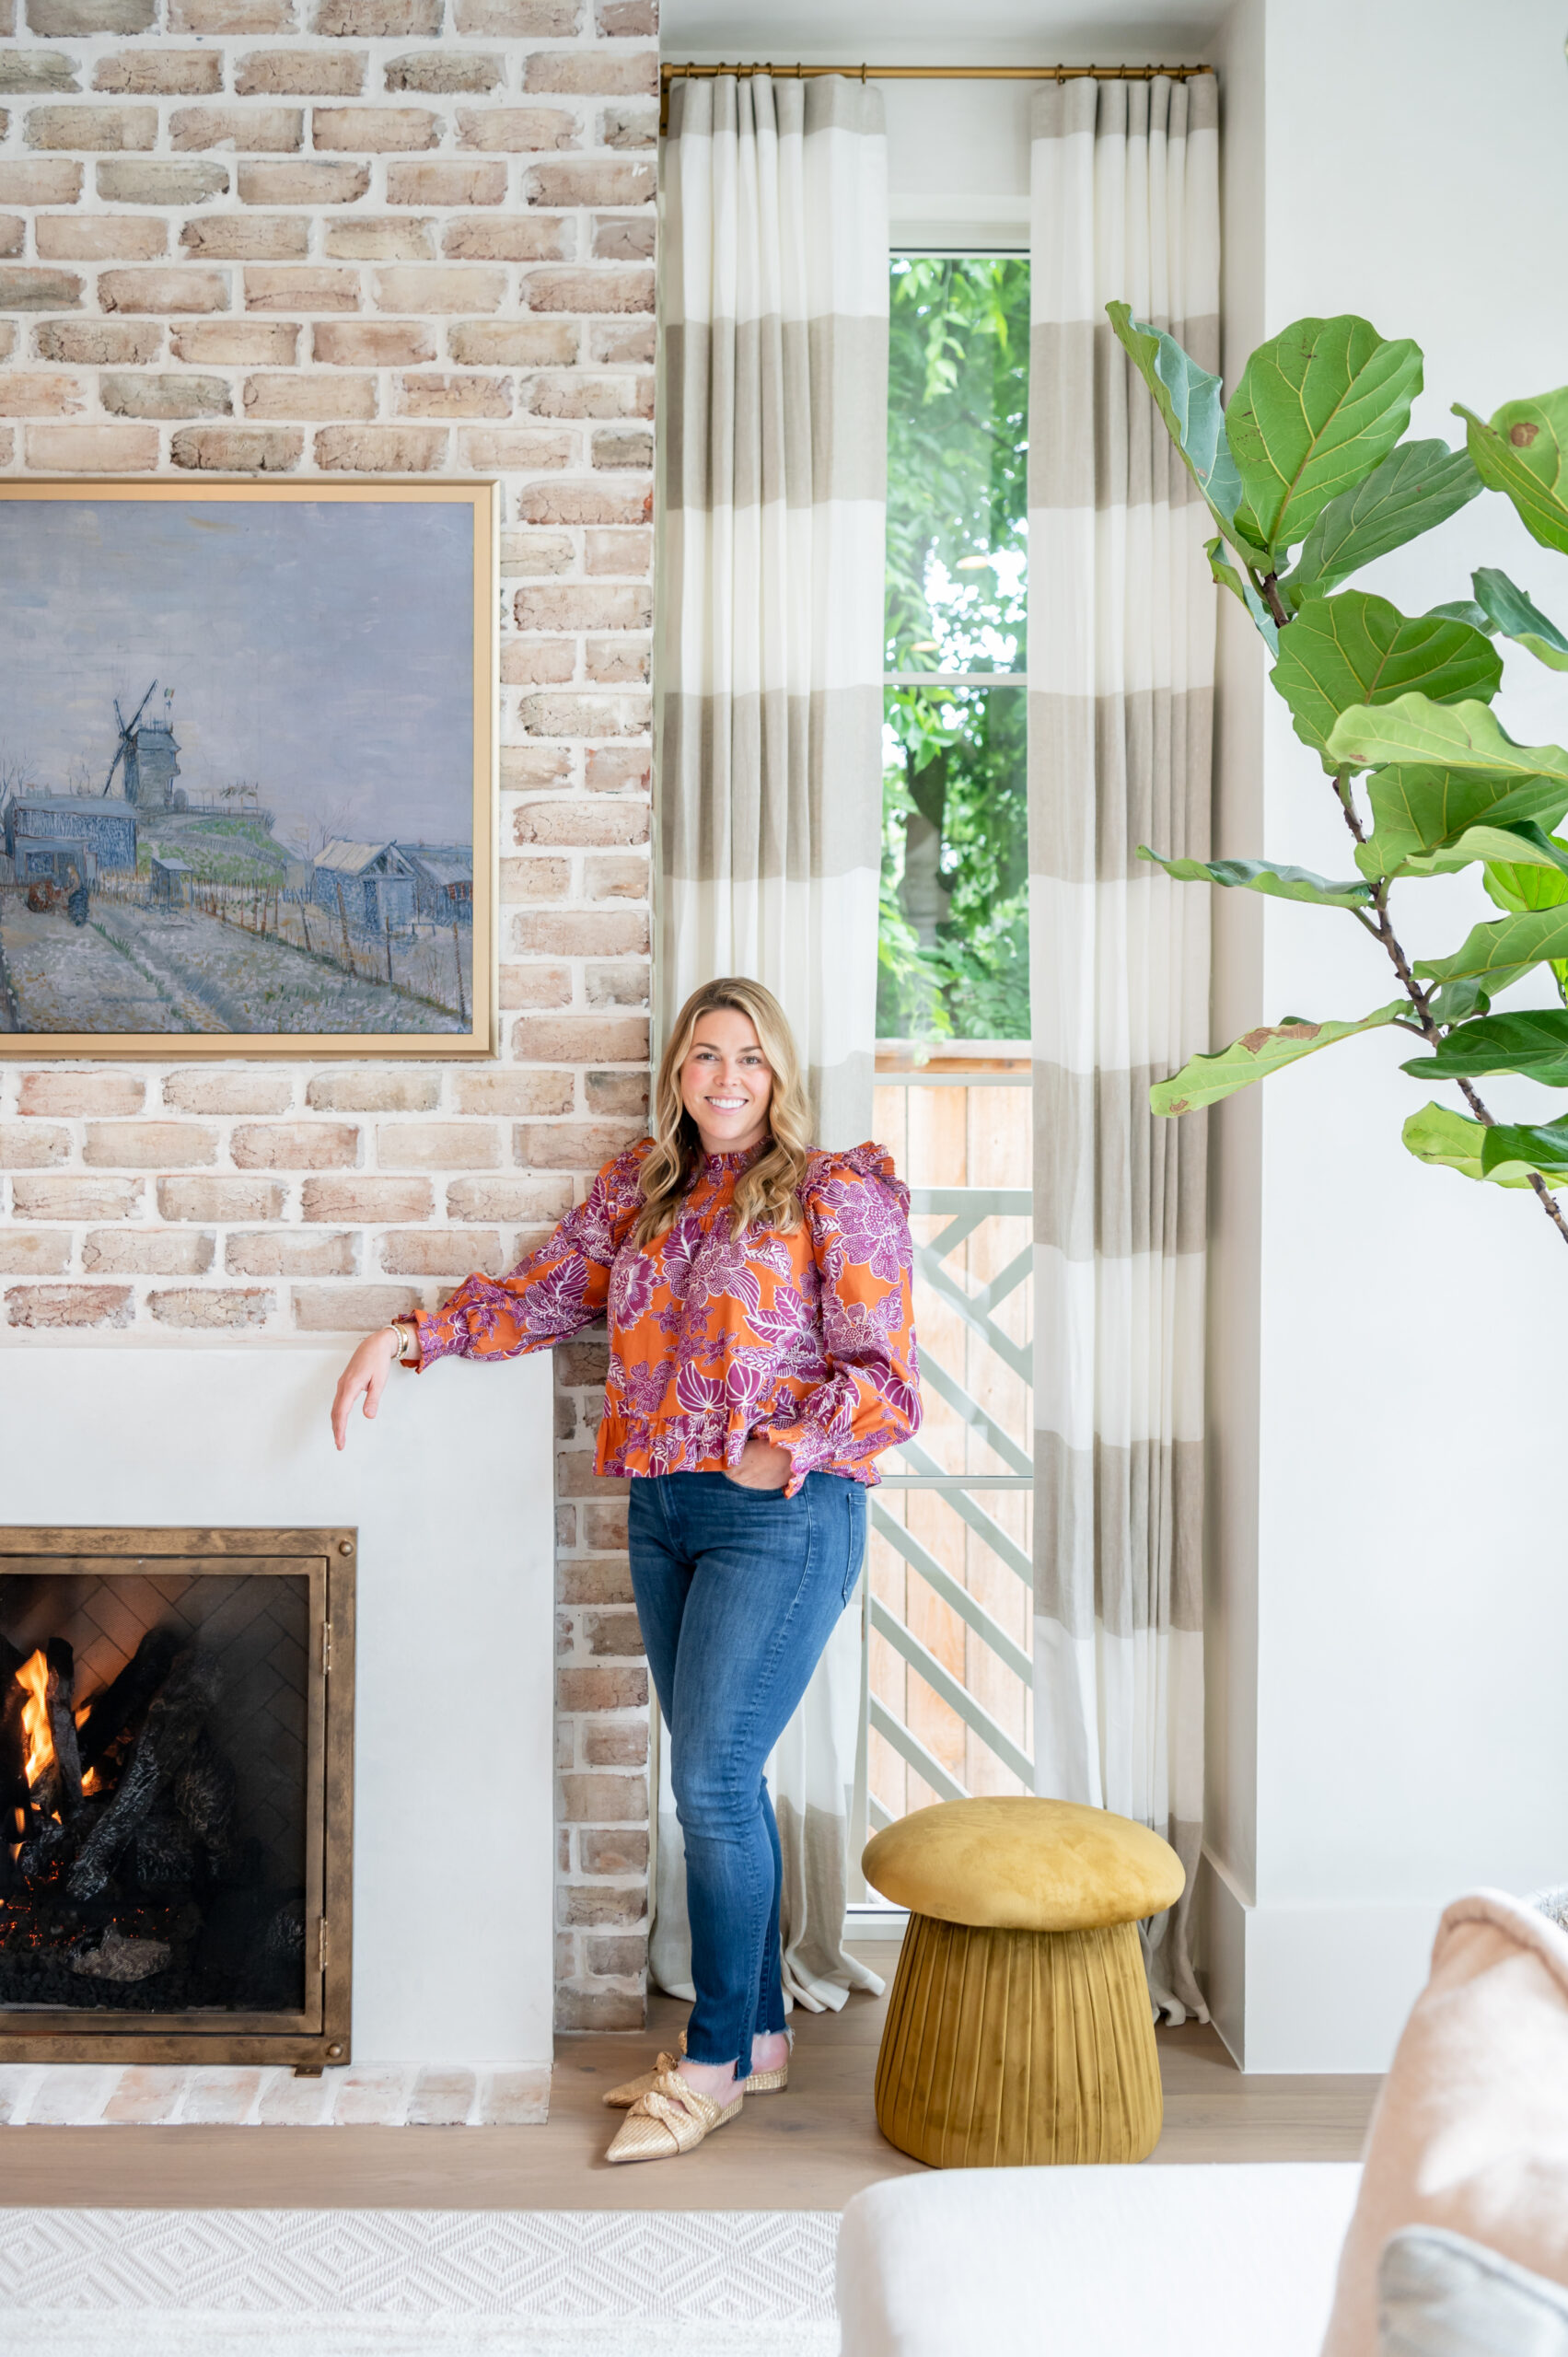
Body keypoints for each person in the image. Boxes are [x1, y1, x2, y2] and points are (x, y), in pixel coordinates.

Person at [331, 976, 921, 2166]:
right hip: (660, 1514)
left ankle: (705, 2066)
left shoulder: (831, 1192)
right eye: (705, 1056)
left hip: (783, 1517)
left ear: (780, 1074)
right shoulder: (639, 1192)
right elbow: (550, 1296)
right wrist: (412, 1337)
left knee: (706, 1783)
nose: (725, 1079)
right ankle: (755, 2037)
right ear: (678, 1077)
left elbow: (887, 1378)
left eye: (749, 1058)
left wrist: (781, 1450)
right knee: (725, 1776)